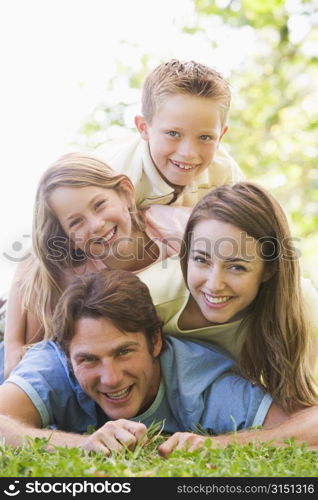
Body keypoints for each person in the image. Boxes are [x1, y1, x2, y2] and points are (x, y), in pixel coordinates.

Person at [1, 268, 318, 456]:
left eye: (124, 351)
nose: (110, 378)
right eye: (88, 360)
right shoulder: (52, 363)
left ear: (155, 341)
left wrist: (217, 447)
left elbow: (309, 423)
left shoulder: (200, 381)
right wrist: (80, 446)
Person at [2, 152, 190, 380]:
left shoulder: (171, 227)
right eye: (76, 221)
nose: (96, 225)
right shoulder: (73, 273)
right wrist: (14, 344)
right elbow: (31, 264)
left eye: (99, 205)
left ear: (126, 193)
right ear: (67, 236)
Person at [139, 182, 318, 413]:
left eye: (236, 267)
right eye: (201, 260)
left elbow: (300, 408)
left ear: (269, 269)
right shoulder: (152, 296)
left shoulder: (301, 307)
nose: (214, 285)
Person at [95, 59, 243, 208]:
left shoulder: (226, 176)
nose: (188, 153)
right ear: (144, 128)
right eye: (173, 133)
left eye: (205, 137)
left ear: (220, 137)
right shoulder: (110, 179)